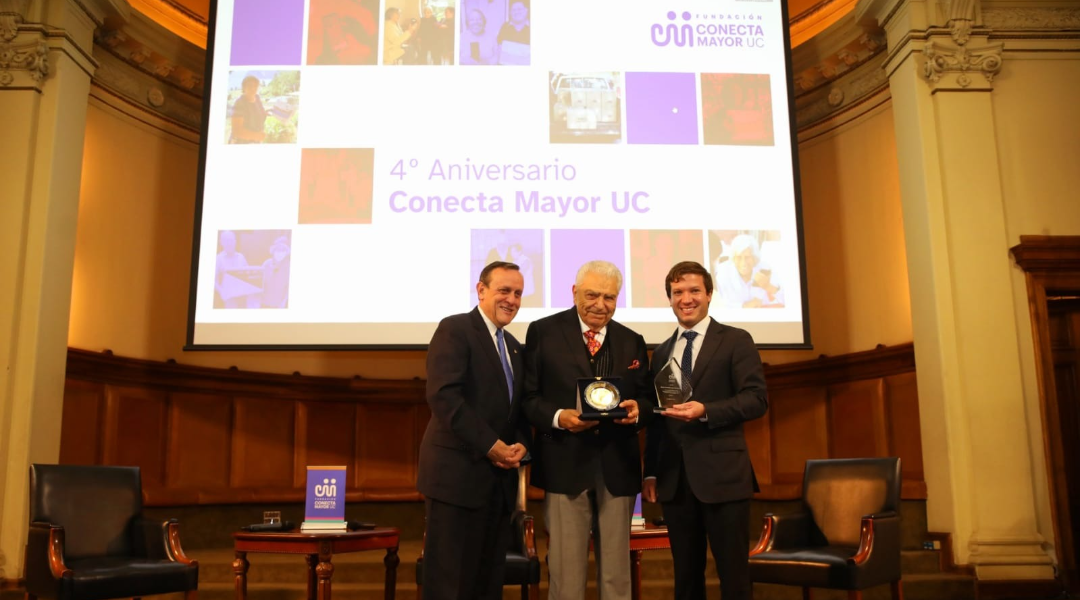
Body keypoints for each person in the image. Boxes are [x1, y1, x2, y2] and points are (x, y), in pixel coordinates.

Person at [522, 260, 652, 600]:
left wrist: (639, 411)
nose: (600, 304)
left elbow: (646, 399)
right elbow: (528, 398)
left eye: (609, 297)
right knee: (565, 574)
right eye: (592, 294)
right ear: (574, 292)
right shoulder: (543, 332)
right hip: (564, 463)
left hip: (618, 468)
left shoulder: (632, 340)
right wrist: (558, 416)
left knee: (617, 578)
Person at [643, 261, 768, 600]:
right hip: (676, 481)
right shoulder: (663, 353)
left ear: (709, 294)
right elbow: (659, 419)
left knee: (734, 575)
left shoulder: (736, 340)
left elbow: (756, 400)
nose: (686, 298)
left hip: (724, 477)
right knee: (685, 577)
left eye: (694, 290)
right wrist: (651, 472)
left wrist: (706, 411)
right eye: (678, 292)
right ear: (669, 299)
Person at [417, 261, 532, 600]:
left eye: (518, 293)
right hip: (456, 481)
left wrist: (522, 445)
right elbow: (445, 397)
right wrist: (491, 446)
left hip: (498, 487)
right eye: (504, 290)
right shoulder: (455, 329)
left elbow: (518, 410)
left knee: (486, 585)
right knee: (450, 586)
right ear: (481, 291)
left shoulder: (513, 346)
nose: (511, 299)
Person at [714, 233, 784, 308]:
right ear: (733, 259)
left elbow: (787, 300)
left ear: (755, 258)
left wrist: (768, 286)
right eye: (739, 257)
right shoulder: (723, 273)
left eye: (747, 257)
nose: (743, 263)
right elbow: (720, 305)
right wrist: (746, 306)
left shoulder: (764, 269)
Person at [214, 230, 249, 308]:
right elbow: (213, 280)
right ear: (221, 242)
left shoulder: (241, 257)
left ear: (235, 241)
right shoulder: (218, 258)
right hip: (229, 299)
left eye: (231, 240)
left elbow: (248, 275)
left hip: (243, 296)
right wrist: (221, 292)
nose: (229, 243)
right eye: (226, 240)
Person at [229, 76, 266, 144]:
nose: (252, 88)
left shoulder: (257, 98)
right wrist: (257, 136)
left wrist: (271, 112)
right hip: (241, 143)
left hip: (255, 141)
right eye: (249, 86)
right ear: (244, 88)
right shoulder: (239, 103)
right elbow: (237, 131)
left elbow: (258, 113)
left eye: (255, 86)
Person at [260, 236, 291, 308]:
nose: (280, 252)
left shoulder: (289, 267)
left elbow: (288, 289)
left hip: (279, 306)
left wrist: (283, 303)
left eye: (283, 249)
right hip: (264, 304)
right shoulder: (266, 264)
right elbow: (260, 284)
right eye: (278, 249)